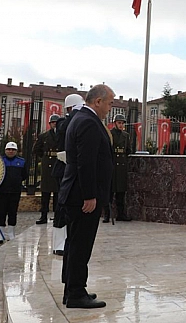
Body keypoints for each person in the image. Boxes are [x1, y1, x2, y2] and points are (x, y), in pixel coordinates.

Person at [58, 84, 115, 308]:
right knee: (80, 245)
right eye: (110, 103)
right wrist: (90, 195)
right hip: (82, 196)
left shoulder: (81, 119)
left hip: (77, 193)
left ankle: (74, 289)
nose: (110, 108)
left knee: (76, 245)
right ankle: (75, 293)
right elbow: (86, 162)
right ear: (98, 101)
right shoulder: (88, 122)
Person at [52, 93, 84, 256]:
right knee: (61, 206)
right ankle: (58, 244)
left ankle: (67, 241)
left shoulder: (73, 119)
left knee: (70, 207)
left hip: (72, 168)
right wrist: (77, 112)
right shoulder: (63, 122)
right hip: (63, 168)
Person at [0, 142, 26, 244]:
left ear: (16, 151)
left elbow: (24, 175)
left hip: (15, 191)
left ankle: (11, 233)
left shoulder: (21, 162)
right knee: (1, 212)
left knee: (13, 212)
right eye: (8, 149)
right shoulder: (0, 161)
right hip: (2, 191)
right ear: (5, 150)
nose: (10, 151)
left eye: (13, 150)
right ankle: (0, 234)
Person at [103, 113, 132, 223]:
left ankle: (121, 214)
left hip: (121, 166)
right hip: (113, 164)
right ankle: (107, 214)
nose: (121, 125)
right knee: (109, 192)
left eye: (122, 123)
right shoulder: (110, 134)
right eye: (119, 123)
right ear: (115, 123)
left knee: (121, 192)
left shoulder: (126, 135)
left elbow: (128, 150)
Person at [33, 114, 60, 224]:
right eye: (53, 122)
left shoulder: (62, 135)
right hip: (47, 164)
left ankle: (57, 216)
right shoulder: (44, 136)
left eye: (56, 122)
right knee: (45, 193)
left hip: (58, 163)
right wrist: (44, 157)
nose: (54, 124)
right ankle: (43, 215)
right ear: (49, 124)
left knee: (58, 193)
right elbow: (36, 149)